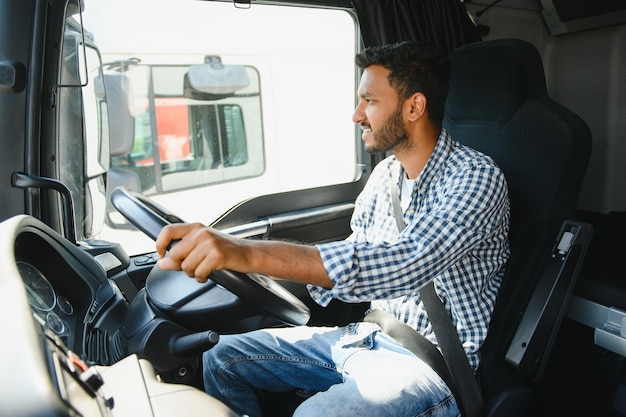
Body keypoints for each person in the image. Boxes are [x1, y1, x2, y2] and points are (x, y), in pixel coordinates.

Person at [155, 40, 510, 417]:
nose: (357, 115)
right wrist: (263, 273)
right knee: (222, 359)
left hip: (429, 366)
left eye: (369, 101)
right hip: (367, 337)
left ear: (413, 107)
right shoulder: (386, 175)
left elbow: (403, 263)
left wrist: (243, 252)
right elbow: (359, 248)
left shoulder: (476, 178)